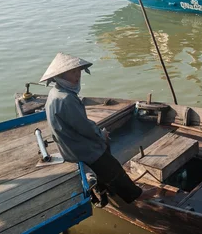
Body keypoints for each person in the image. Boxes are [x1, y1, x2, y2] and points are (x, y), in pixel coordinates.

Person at [40, 53, 152, 206]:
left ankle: (103, 186)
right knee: (111, 166)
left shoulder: (55, 93)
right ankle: (136, 194)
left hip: (68, 146)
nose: (77, 75)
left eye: (78, 71)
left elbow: (80, 124)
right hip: (78, 148)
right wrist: (101, 133)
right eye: (73, 72)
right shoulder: (67, 99)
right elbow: (84, 128)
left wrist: (99, 134)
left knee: (104, 145)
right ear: (61, 75)